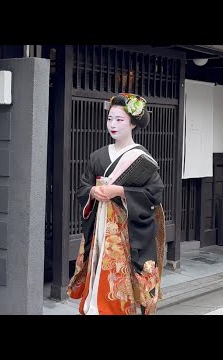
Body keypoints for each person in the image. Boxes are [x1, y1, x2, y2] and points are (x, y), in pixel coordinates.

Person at [67, 93, 166, 315]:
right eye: (110, 118)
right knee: (98, 269)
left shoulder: (141, 157)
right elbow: (82, 187)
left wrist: (120, 191)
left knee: (121, 279)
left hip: (127, 233)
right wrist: (92, 191)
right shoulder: (98, 156)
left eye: (119, 120)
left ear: (133, 124)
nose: (113, 124)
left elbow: (154, 194)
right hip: (101, 228)